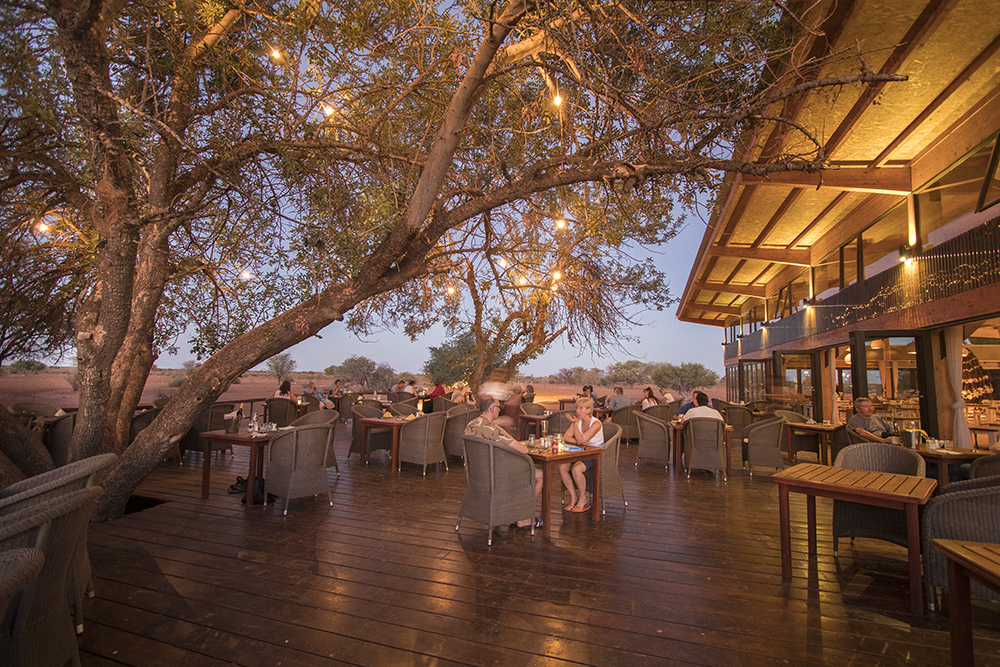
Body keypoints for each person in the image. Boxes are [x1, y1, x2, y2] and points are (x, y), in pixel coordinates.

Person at [465, 397, 542, 528]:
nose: (500, 409)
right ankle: (523, 517)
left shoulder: (470, 425)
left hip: (477, 476)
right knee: (539, 475)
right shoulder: (493, 429)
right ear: (491, 409)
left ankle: (511, 514)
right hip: (498, 477)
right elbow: (522, 449)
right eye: (498, 407)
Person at [559, 397, 605, 512]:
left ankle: (582, 498)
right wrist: (580, 441)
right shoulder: (578, 421)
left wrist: (576, 429)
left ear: (588, 410)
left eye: (580, 408)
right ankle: (573, 496)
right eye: (577, 408)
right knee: (562, 466)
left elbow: (582, 439)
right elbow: (566, 437)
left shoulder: (596, 424)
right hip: (581, 453)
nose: (577, 411)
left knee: (576, 468)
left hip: (595, 455)